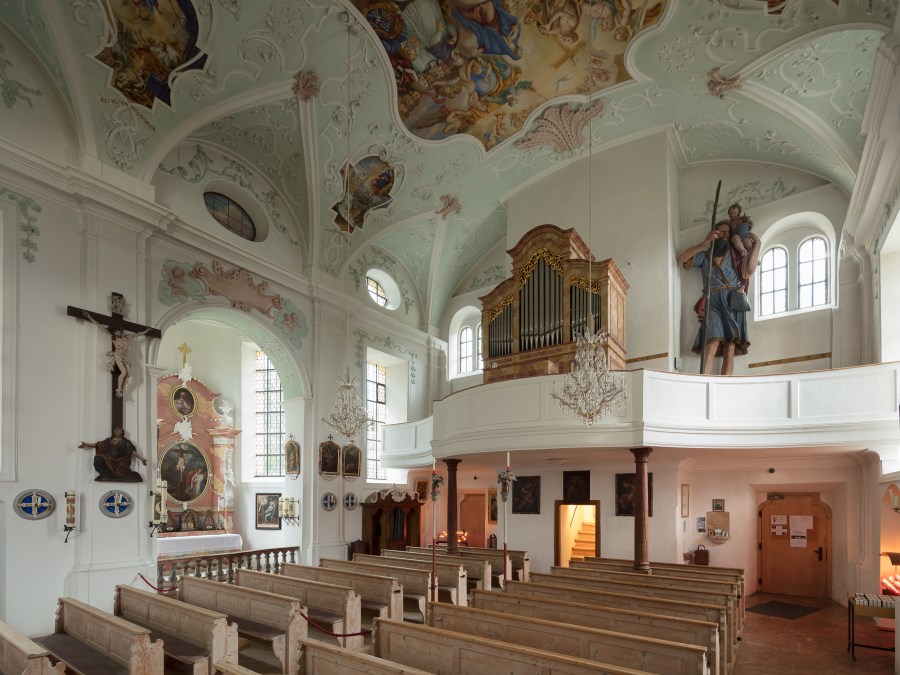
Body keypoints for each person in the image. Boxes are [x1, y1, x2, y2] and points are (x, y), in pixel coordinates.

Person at [678, 221, 761, 375]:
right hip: (713, 300)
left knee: (730, 346)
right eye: (720, 231)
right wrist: (704, 243)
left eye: (727, 232)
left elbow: (750, 269)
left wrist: (757, 245)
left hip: (733, 300)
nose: (724, 234)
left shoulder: (736, 254)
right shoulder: (704, 256)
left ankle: (725, 385)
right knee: (712, 342)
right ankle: (704, 380)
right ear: (714, 234)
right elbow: (682, 258)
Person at [82, 311, 152, 397]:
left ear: (120, 330)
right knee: (124, 372)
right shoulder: (114, 338)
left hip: (126, 358)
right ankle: (119, 390)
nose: (115, 333)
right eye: (114, 332)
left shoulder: (127, 337)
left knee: (129, 375)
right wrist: (90, 317)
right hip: (118, 356)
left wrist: (145, 332)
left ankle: (122, 389)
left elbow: (137, 334)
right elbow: (100, 326)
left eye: (116, 331)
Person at [79, 426, 147, 481]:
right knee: (98, 459)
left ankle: (114, 475)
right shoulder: (109, 440)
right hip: (108, 459)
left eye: (118, 429)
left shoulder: (126, 442)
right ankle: (106, 475)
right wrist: (87, 444)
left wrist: (141, 458)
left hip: (120, 462)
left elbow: (132, 451)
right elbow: (98, 445)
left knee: (125, 475)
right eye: (115, 429)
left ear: (122, 432)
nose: (116, 430)